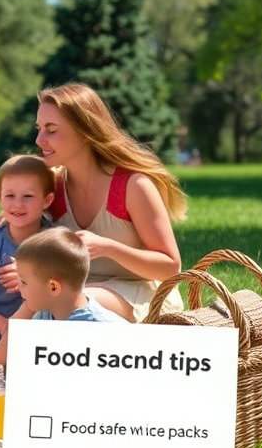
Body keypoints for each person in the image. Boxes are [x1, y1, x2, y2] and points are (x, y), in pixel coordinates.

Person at [34, 82, 186, 321]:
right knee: (48, 302)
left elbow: (170, 267)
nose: (39, 139)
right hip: (76, 293)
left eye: (51, 130)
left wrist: (108, 247)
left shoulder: (132, 186)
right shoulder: (51, 188)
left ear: (85, 133)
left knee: (63, 305)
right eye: (39, 128)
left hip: (140, 294)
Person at [0, 154, 55, 361]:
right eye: (10, 196)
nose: (18, 204)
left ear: (47, 200)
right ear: (0, 198)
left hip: (43, 331)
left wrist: (29, 277)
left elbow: (64, 290)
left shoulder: (54, 242)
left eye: (28, 196)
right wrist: (4, 325)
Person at [7, 227, 124, 324]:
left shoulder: (106, 328)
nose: (19, 286)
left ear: (53, 287)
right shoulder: (43, 317)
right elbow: (3, 352)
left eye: (23, 282)